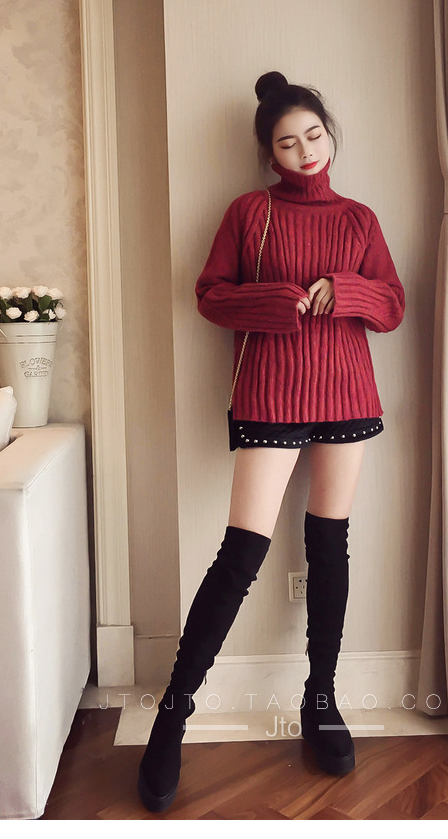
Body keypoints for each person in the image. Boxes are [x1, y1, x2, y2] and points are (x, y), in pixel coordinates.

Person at [137, 71, 405, 813]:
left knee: (330, 546)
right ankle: (171, 720)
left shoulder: (358, 219)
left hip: (347, 392)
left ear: (329, 135)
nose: (305, 150)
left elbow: (392, 304)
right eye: (288, 143)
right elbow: (210, 295)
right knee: (240, 556)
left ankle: (321, 700)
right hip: (270, 395)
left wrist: (345, 291)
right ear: (269, 154)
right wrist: (278, 301)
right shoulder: (249, 213)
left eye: (313, 135)